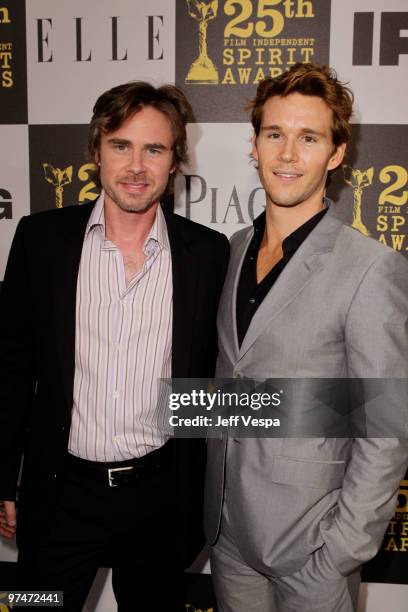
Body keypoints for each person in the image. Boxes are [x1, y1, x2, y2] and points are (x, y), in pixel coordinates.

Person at [0, 81, 229, 610]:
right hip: (60, 494)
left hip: (162, 496)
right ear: (95, 151)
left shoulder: (208, 253)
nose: (136, 166)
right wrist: (3, 477)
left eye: (155, 149)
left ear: (175, 161)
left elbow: (216, 380)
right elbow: (12, 367)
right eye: (120, 145)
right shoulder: (41, 240)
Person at [204, 63, 408, 612]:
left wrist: (341, 548)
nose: (288, 154)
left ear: (336, 153)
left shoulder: (371, 268)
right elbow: (231, 387)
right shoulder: (228, 250)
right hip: (227, 541)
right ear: (255, 145)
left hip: (313, 551)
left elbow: (385, 426)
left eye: (309, 137)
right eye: (275, 135)